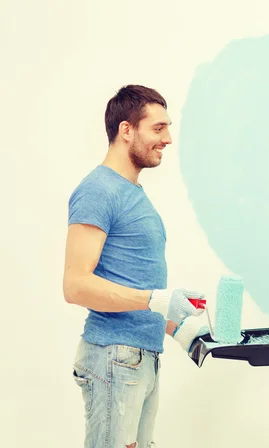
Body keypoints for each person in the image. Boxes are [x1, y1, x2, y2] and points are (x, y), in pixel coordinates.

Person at [63, 85, 209, 448]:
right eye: (158, 129)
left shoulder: (132, 193)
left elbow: (131, 282)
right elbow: (75, 286)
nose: (169, 139)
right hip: (114, 358)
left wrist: (176, 325)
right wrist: (158, 300)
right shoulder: (98, 190)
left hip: (139, 359)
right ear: (126, 130)